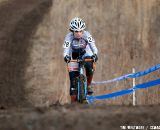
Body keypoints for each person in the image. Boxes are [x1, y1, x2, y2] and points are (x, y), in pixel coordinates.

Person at [63, 17, 98, 103]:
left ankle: (89, 85)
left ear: (83, 30)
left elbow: (94, 47)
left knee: (90, 64)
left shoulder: (87, 35)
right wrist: (66, 56)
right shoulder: (68, 37)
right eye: (76, 31)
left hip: (86, 54)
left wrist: (95, 55)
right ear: (72, 31)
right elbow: (66, 50)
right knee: (73, 82)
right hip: (74, 56)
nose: (79, 33)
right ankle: (73, 103)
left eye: (81, 31)